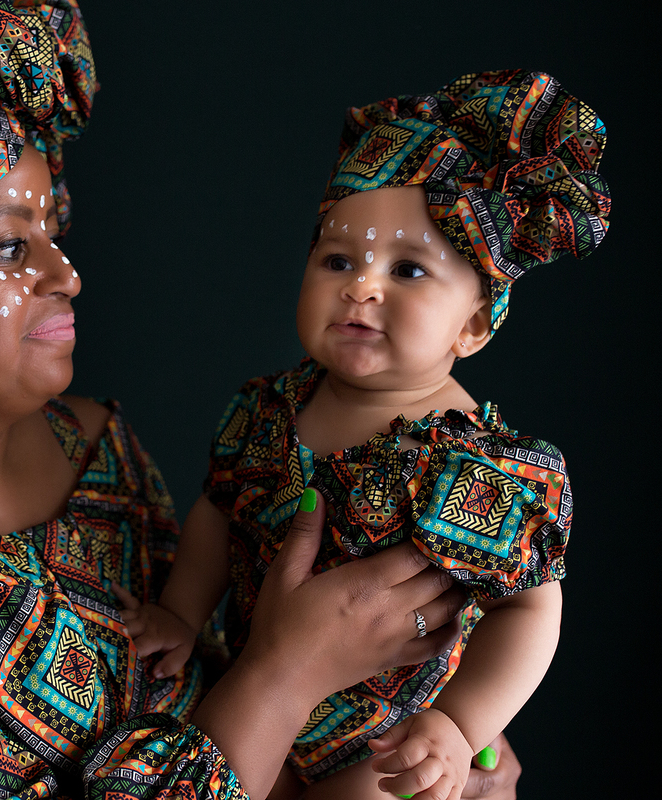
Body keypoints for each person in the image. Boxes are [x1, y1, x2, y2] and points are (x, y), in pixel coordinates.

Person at [0, 4, 523, 797]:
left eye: (54, 230)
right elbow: (267, 687)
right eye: (8, 247)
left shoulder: (92, 450)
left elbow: (250, 718)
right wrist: (289, 672)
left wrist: (431, 741)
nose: (66, 275)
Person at [124, 70, 609, 798]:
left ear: (475, 325)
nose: (361, 286)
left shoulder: (479, 467)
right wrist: (182, 614)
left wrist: (460, 724)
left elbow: (531, 610)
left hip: (388, 742)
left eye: (407, 269)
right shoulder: (268, 410)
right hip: (252, 697)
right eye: (337, 260)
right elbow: (218, 515)